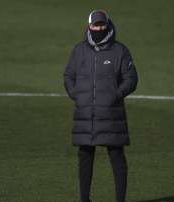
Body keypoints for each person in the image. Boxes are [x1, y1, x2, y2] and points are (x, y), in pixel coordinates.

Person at [64, 9, 138, 202]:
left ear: (108, 24)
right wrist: (76, 95)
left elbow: (131, 78)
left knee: (116, 155)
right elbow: (68, 76)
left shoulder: (120, 51)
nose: (99, 28)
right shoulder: (79, 51)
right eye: (95, 25)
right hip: (85, 113)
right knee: (85, 156)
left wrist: (116, 95)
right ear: (89, 26)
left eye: (102, 25)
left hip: (112, 113)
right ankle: (84, 199)